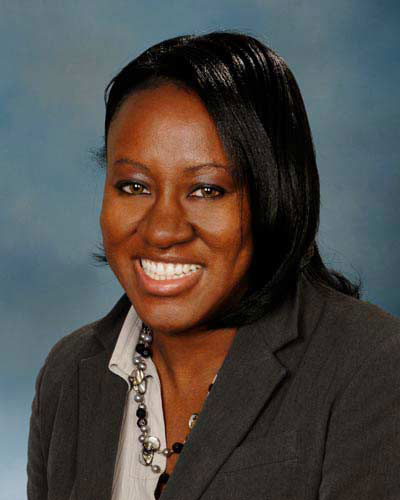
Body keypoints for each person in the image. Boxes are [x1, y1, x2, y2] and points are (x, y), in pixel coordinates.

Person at [27, 31, 400, 500]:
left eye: (207, 190)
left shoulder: (371, 365)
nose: (163, 230)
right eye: (134, 186)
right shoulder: (68, 373)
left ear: (275, 194)